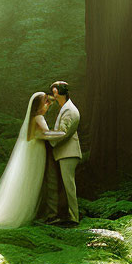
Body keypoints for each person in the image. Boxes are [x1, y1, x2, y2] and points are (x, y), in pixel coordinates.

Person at [0, 92, 65, 228]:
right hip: (37, 151)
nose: (47, 105)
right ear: (40, 105)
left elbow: (34, 134)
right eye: (46, 102)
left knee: (26, 180)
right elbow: (46, 134)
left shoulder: (32, 117)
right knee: (32, 180)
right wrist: (62, 133)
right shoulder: (39, 117)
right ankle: (27, 211)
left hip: (32, 149)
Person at [45, 80, 82, 226]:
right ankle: (68, 216)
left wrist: (46, 137)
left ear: (58, 92)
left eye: (54, 91)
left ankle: (73, 218)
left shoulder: (69, 110)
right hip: (65, 152)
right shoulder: (65, 108)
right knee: (65, 185)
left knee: (69, 186)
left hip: (69, 152)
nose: (52, 95)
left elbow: (63, 132)